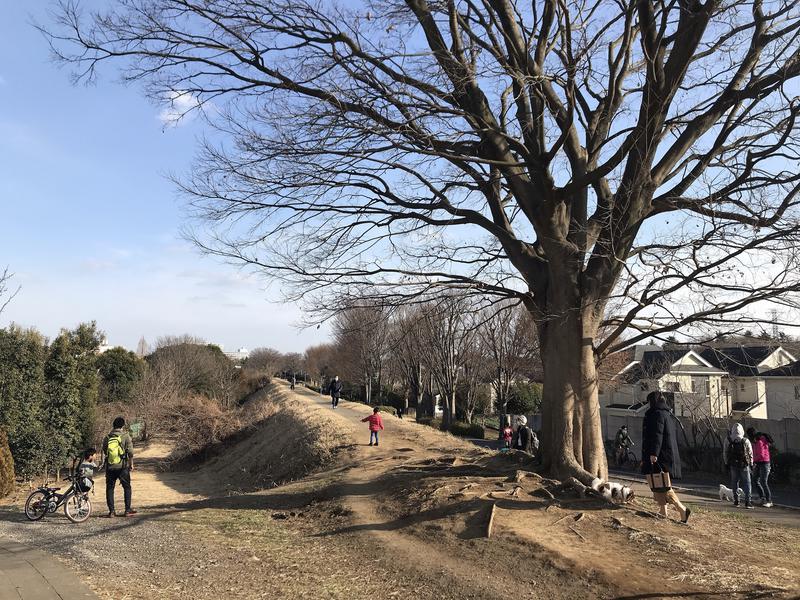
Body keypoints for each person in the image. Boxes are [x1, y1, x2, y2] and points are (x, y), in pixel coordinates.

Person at [641, 392, 691, 522]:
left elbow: (658, 435)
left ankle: (682, 509)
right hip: (666, 454)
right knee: (658, 484)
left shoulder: (657, 414)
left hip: (660, 455)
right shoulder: (667, 413)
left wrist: (654, 453)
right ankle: (663, 511)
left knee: (662, 485)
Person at [102, 416, 136, 517]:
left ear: (113, 425)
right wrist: (131, 464)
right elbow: (130, 452)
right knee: (127, 487)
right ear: (122, 426)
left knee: (110, 488)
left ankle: (112, 511)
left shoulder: (107, 437)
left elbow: (105, 450)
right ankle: (127, 510)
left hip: (110, 466)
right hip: (123, 466)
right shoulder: (126, 436)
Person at [724, 423, 754, 509]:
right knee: (747, 483)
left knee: (734, 482)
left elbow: (725, 452)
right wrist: (751, 464)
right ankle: (748, 502)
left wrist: (726, 463)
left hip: (733, 464)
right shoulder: (745, 440)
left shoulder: (728, 439)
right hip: (744, 464)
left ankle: (736, 500)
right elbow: (750, 453)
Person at [747, 426, 774, 507]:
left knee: (763, 481)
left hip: (764, 463)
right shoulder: (756, 440)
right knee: (755, 480)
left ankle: (769, 500)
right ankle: (762, 498)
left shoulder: (759, 441)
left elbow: (761, 455)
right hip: (758, 463)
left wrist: (753, 461)